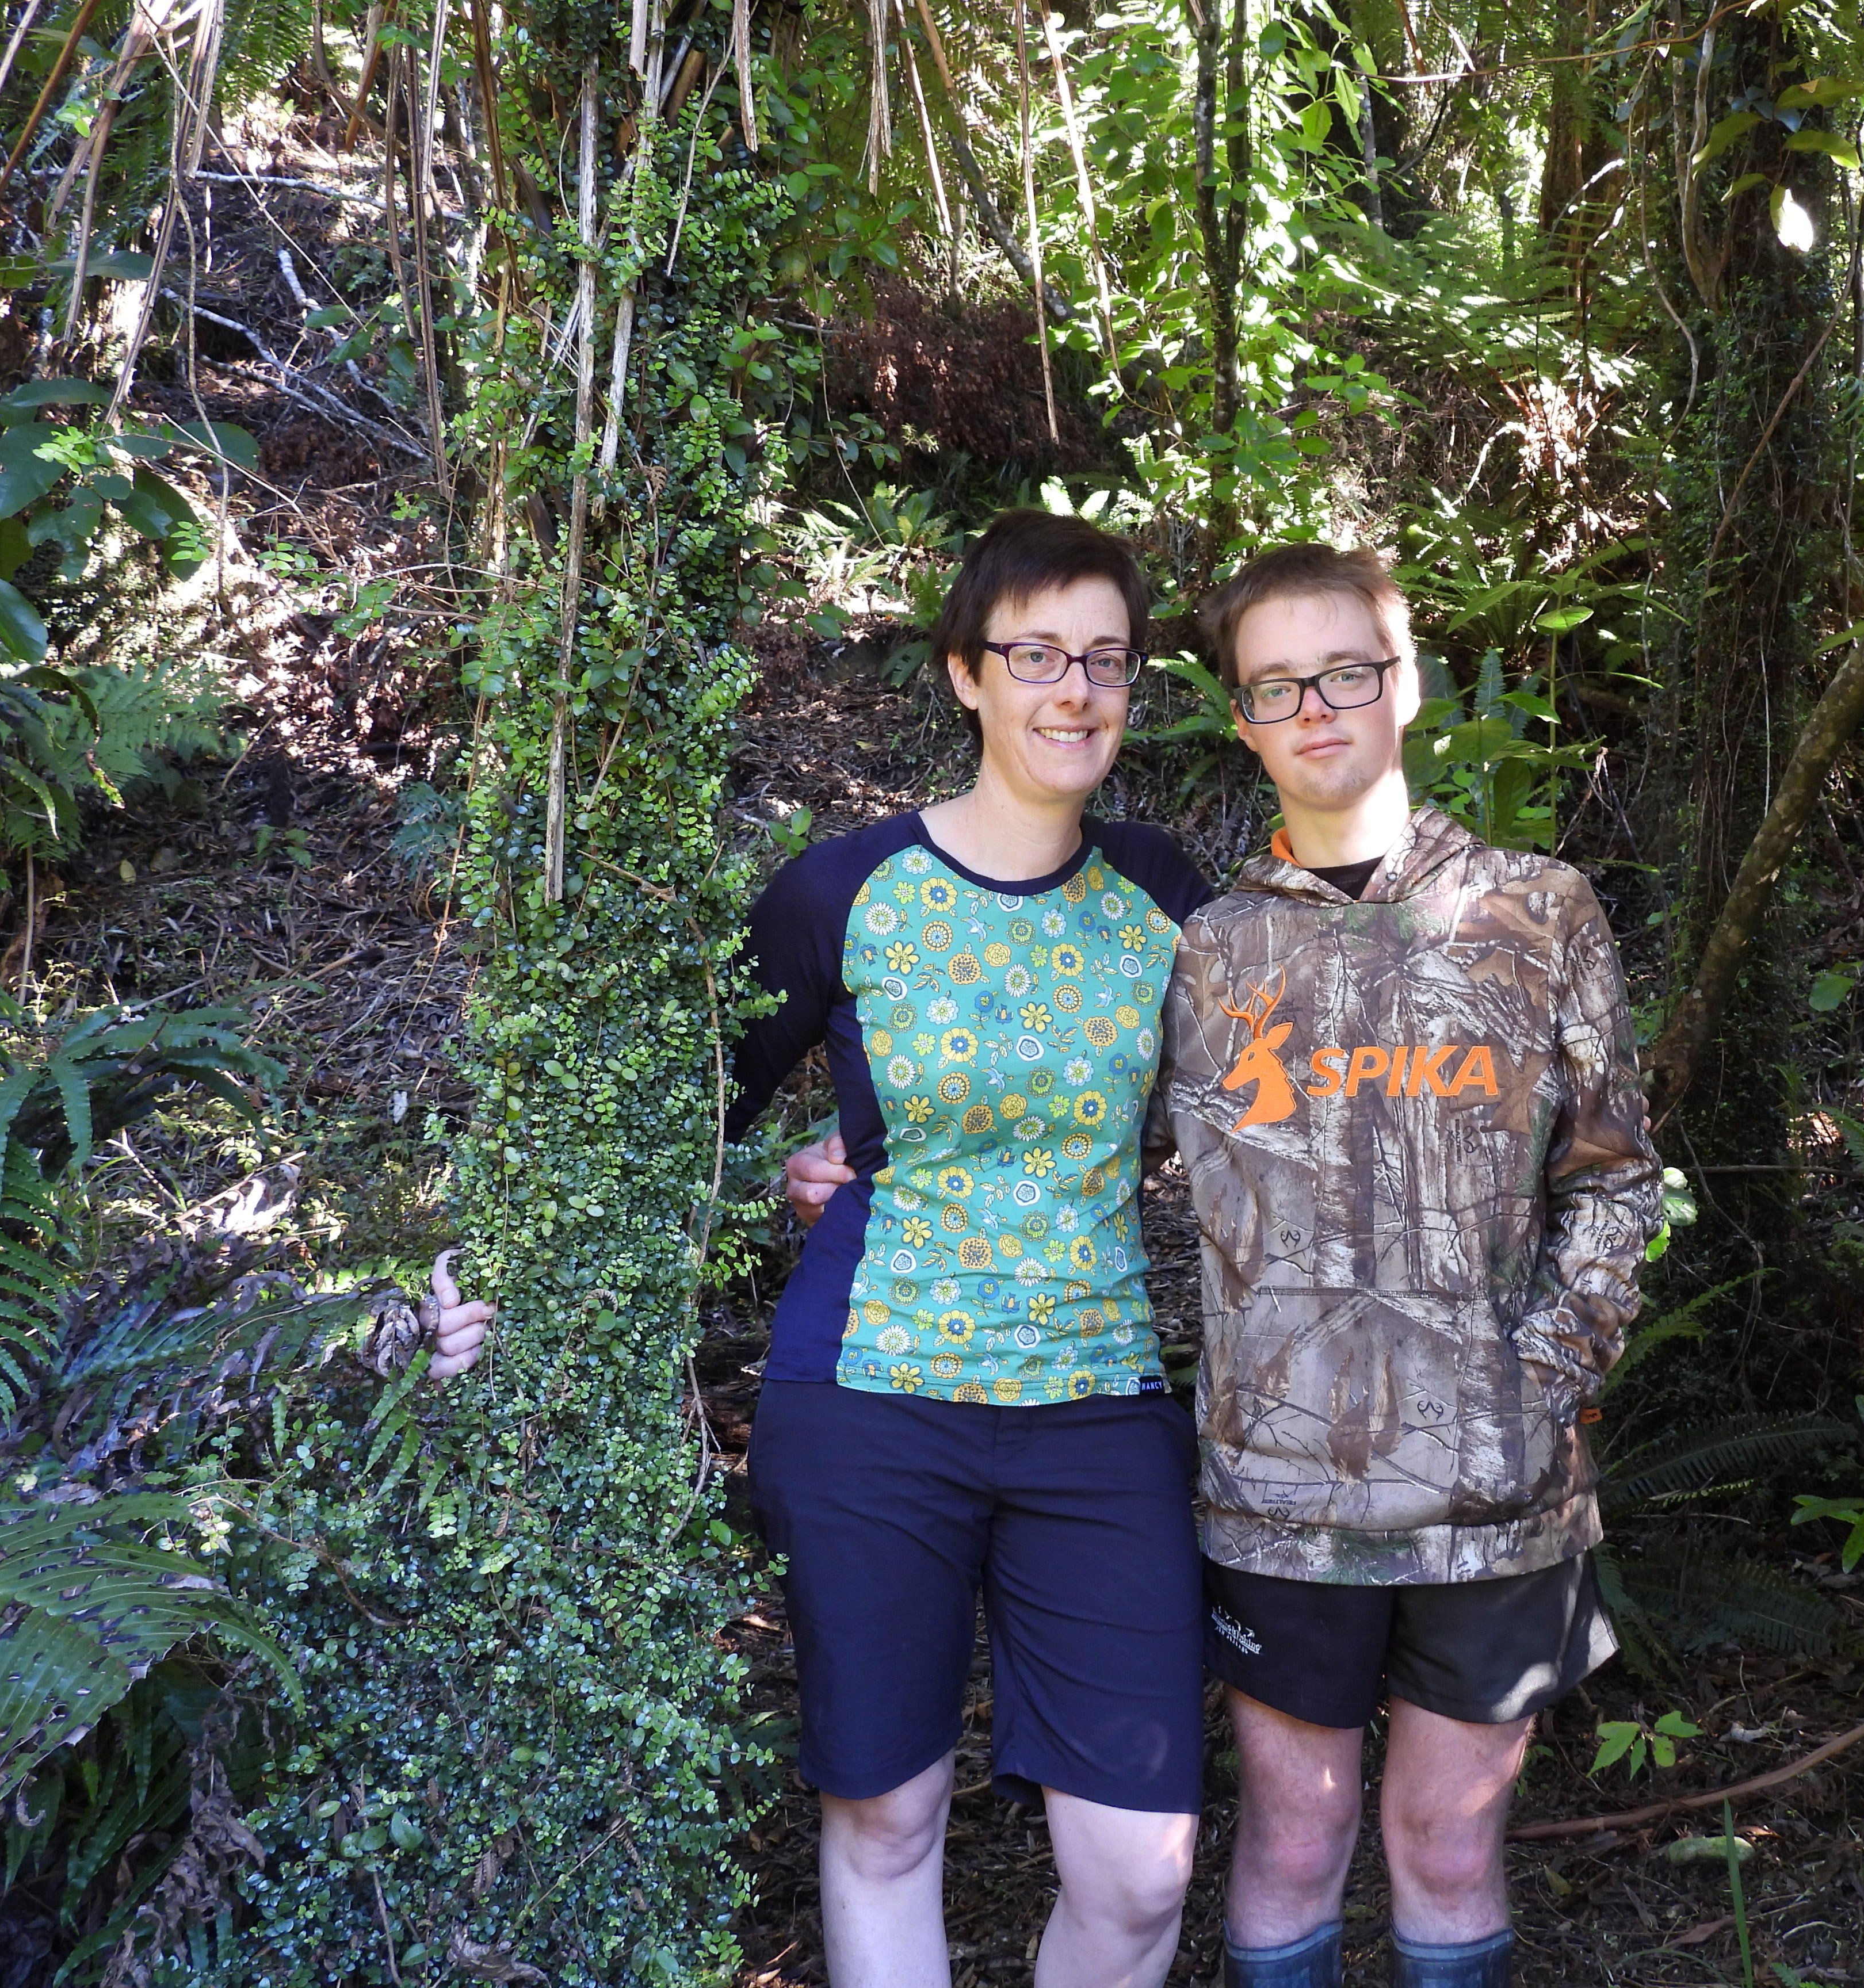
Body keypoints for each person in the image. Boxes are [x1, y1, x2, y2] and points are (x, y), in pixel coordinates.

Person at [547, 507, 1214, 1988]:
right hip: (870, 1401)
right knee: (889, 1815)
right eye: (1035, 653)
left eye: (1106, 660)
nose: (1075, 690)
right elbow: (671, 1116)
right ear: (967, 676)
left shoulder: (1167, 895)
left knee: (1141, 1874)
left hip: (1097, 1406)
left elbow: (1270, 1111)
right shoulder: (843, 890)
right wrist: (756, 1181)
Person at [1167, 544, 1660, 1988]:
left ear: (1406, 680)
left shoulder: (1538, 911)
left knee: (1448, 1841)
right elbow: (1096, 1169)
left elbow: (1617, 1179)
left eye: (1347, 671)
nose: (1317, 707)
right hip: (1278, 1494)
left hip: (1497, 1493)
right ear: (1243, 717)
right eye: (1277, 685)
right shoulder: (1208, 950)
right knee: (1295, 1835)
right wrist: (854, 1162)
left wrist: (1546, 1376)